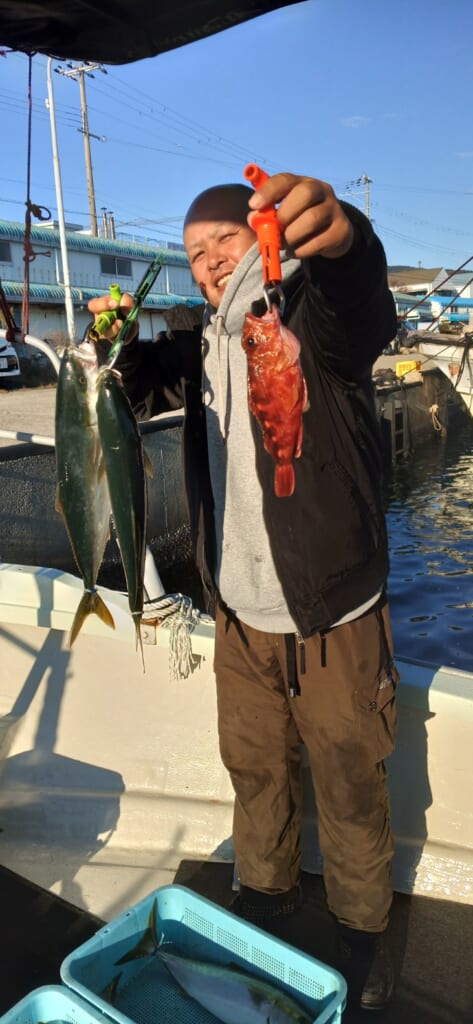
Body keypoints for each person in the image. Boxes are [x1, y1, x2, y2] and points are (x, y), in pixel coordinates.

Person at [88, 172, 399, 1011]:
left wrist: (342, 236)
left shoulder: (310, 321)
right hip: (238, 618)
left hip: (331, 615)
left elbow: (359, 303)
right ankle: (264, 903)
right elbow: (135, 383)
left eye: (223, 241)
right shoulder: (197, 344)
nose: (210, 262)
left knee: (349, 786)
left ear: (261, 236)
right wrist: (108, 346)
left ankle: (361, 938)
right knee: (254, 774)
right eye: (194, 254)